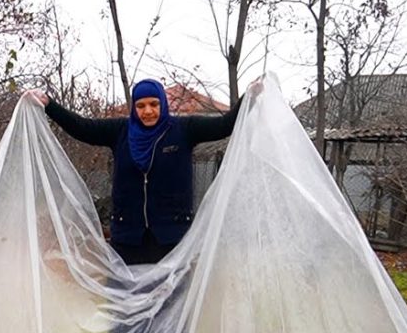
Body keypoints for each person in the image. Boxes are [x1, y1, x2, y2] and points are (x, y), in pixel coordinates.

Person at [25, 78, 255, 265]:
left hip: (171, 238)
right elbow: (82, 128)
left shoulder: (184, 129)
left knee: (169, 309)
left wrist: (250, 96)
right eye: (141, 105)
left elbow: (225, 125)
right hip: (128, 239)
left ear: (162, 104)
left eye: (154, 104)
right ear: (134, 107)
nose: (148, 111)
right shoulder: (120, 131)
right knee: (125, 310)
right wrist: (49, 105)